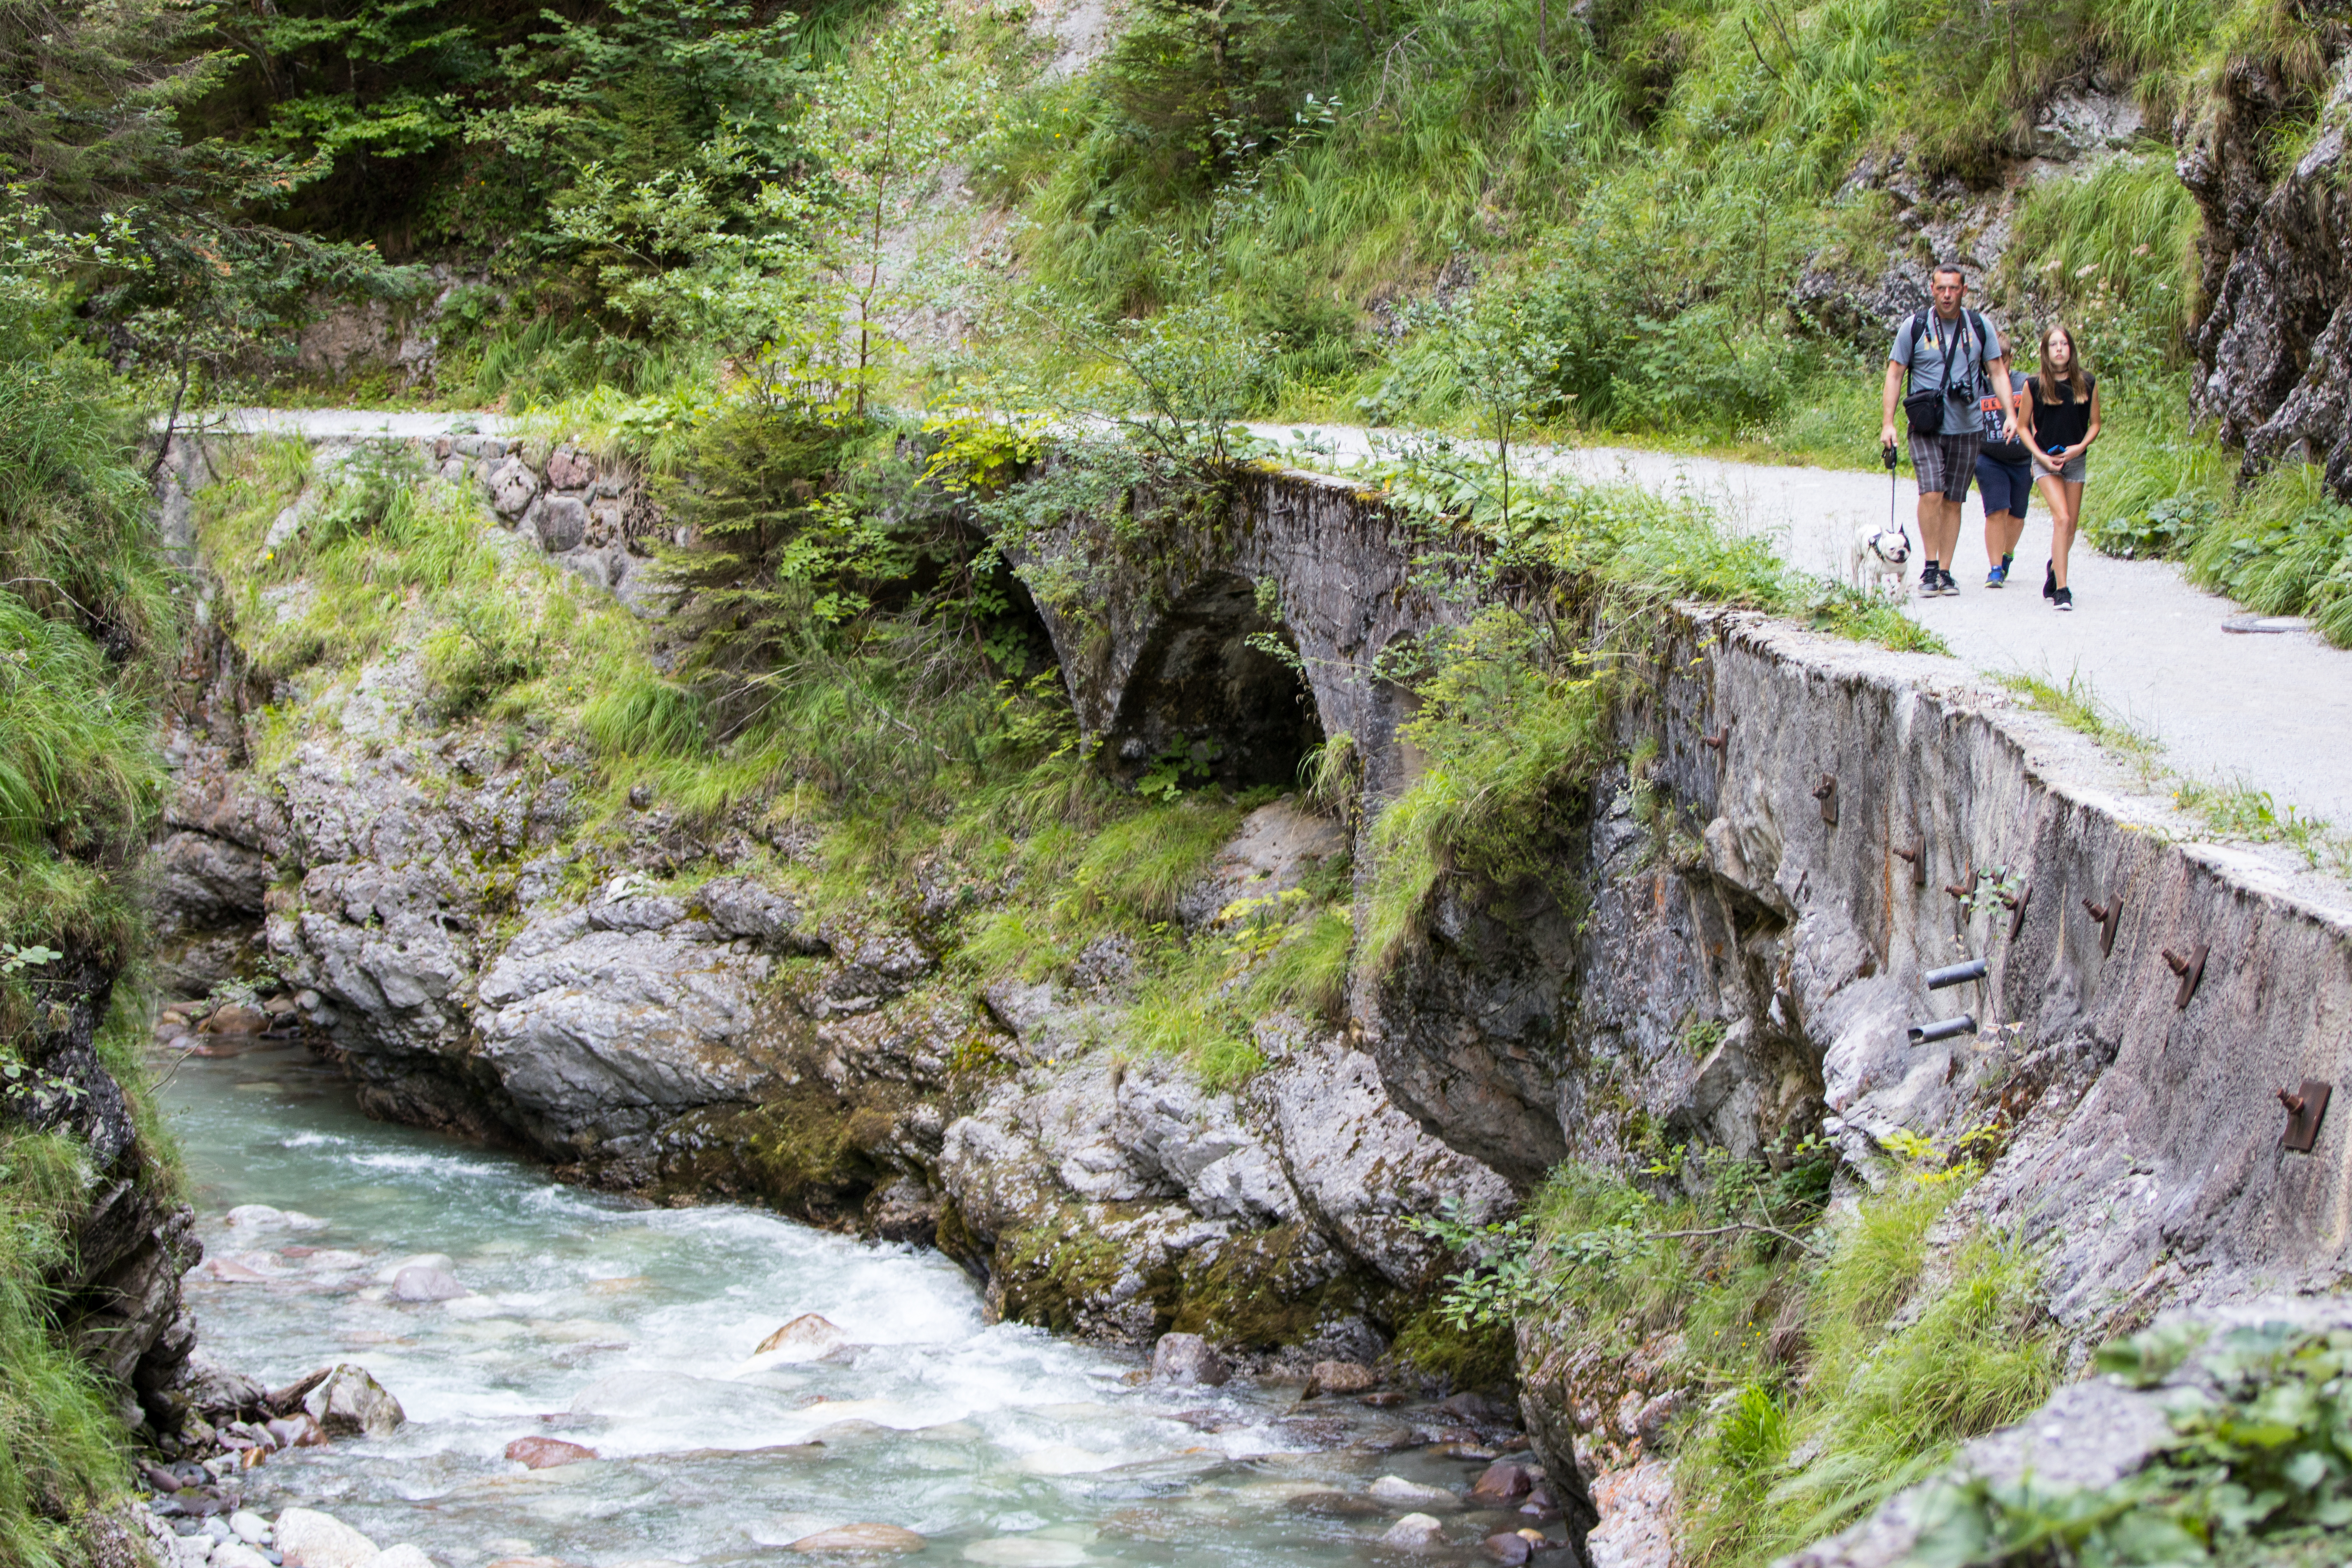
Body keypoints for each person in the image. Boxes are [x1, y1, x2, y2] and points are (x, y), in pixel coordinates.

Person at [1879, 263, 2019, 596]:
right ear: (1932, 289)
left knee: (1954, 500)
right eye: (1941, 288)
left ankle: (1945, 571)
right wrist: (1888, 423)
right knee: (1931, 492)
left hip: (1968, 425)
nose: (1947, 295)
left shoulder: (1978, 327)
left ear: (1964, 291)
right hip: (1926, 425)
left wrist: (2010, 414)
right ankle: (1928, 568)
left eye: (1953, 288)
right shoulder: (1914, 327)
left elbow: (1998, 372)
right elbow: (1895, 374)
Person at [2026, 323, 2099, 612]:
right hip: (2046, 460)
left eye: (2064, 344)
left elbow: (2095, 424)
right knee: (2062, 519)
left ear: (2071, 349)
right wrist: (2041, 458)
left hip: (2075, 459)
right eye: (2054, 344)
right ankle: (2062, 590)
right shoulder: (2034, 385)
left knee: (2072, 526)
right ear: (2045, 351)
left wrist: (2080, 448)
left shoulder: (2087, 382)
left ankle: (2055, 566)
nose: (2059, 349)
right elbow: (2022, 428)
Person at [1972, 363, 2034, 587]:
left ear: (2010, 358)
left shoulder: (2025, 382)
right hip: (1988, 457)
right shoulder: (1977, 383)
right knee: (1997, 510)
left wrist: (2039, 454)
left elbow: (2037, 420)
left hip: (2022, 458)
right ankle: (1995, 569)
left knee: (2017, 516)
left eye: (2002, 359)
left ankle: (2007, 554)